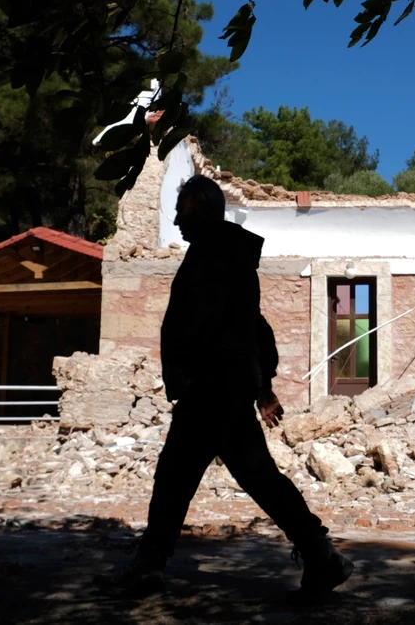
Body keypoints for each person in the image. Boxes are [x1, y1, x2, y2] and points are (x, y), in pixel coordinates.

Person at [103, 175, 353, 597]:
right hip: (223, 389)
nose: (176, 221)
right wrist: (261, 386)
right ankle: (320, 556)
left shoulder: (215, 254)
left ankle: (149, 565)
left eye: (181, 209)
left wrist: (208, 375)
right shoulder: (224, 254)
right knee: (250, 477)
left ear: (202, 204)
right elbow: (255, 328)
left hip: (211, 388)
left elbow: (224, 328)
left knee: (178, 477)